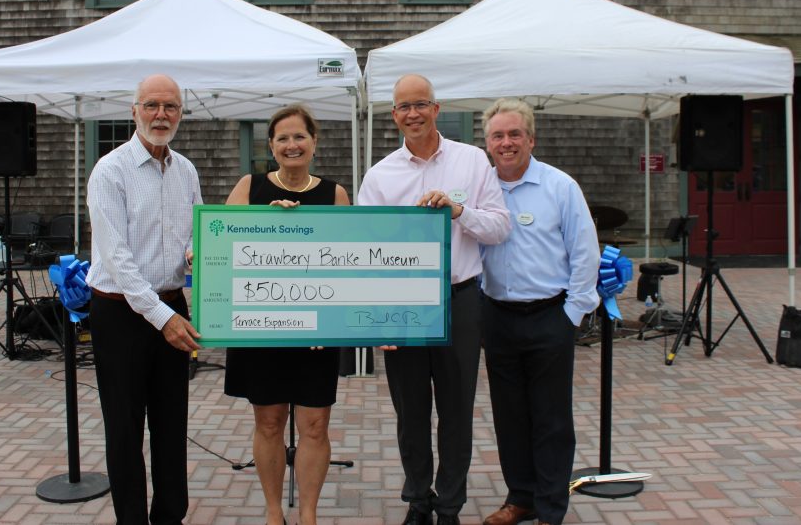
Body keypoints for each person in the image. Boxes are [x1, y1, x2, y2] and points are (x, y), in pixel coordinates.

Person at [357, 74, 510, 525]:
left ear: (436, 109)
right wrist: (379, 319)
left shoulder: (472, 162)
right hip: (403, 305)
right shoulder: (381, 175)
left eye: (421, 104)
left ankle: (450, 506)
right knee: (411, 411)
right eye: (404, 107)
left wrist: (459, 212)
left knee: (457, 409)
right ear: (394, 116)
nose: (413, 114)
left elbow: (501, 228)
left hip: (459, 299)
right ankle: (419, 501)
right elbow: (367, 253)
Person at [223, 104, 350, 525]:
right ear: (271, 147)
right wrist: (263, 222)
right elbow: (221, 249)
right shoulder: (250, 187)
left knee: (315, 425)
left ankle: (308, 515)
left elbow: (347, 264)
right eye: (282, 138)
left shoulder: (334, 194)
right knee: (271, 421)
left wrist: (332, 320)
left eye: (300, 137)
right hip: (262, 328)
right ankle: (274, 512)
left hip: (316, 330)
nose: (292, 145)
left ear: (314, 143)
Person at [86, 74, 203, 525]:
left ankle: (170, 517)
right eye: (151, 105)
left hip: (172, 305)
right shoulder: (110, 171)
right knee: (125, 428)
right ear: (133, 111)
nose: (161, 115)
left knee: (172, 427)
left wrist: (203, 258)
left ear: (180, 114)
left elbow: (195, 237)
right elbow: (116, 258)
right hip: (121, 313)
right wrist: (163, 317)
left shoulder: (187, 170)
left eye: (170, 107)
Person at [478, 98, 600, 525]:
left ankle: (551, 508)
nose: (506, 142)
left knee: (551, 419)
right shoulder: (481, 188)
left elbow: (586, 252)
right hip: (496, 317)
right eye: (498, 135)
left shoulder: (560, 187)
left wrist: (572, 314)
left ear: (531, 139)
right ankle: (522, 498)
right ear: (487, 143)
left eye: (515, 134)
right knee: (509, 416)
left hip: (551, 317)